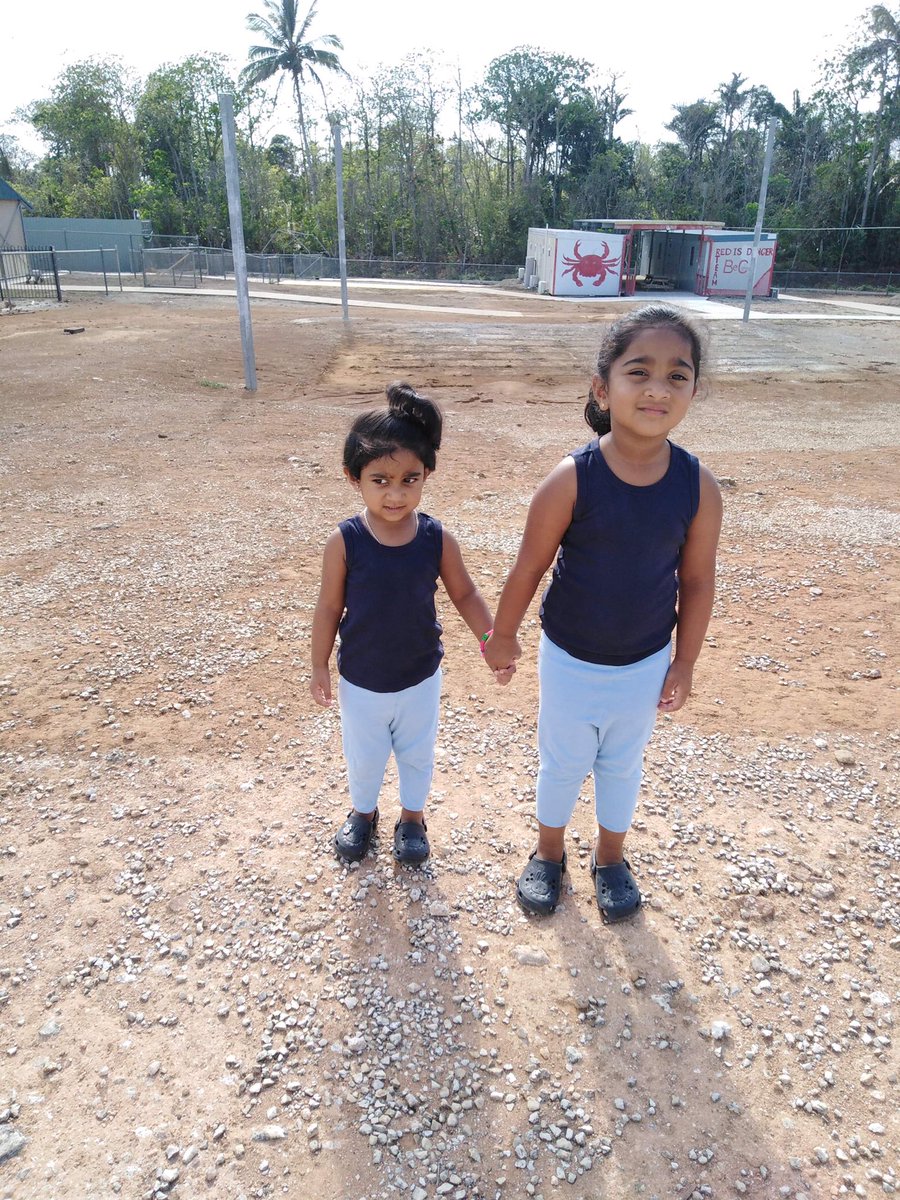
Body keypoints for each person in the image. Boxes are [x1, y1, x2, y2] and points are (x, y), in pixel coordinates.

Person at [484, 305, 722, 920]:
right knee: (563, 762)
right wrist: (502, 635)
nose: (657, 389)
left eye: (677, 375)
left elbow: (697, 581)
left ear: (694, 391)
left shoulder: (698, 486)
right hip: (569, 657)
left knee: (622, 764)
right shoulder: (572, 479)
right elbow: (528, 568)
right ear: (602, 388)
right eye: (639, 372)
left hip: (645, 661)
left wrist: (684, 662)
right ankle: (548, 852)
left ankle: (611, 857)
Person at [311, 382, 507, 866]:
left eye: (409, 479)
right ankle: (363, 813)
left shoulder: (436, 538)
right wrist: (318, 665)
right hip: (362, 679)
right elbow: (328, 608)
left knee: (417, 753)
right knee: (364, 755)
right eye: (380, 480)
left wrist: (492, 641)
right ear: (353, 477)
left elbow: (465, 594)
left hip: (420, 676)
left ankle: (413, 819)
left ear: (427, 474)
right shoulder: (345, 541)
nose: (396, 494)